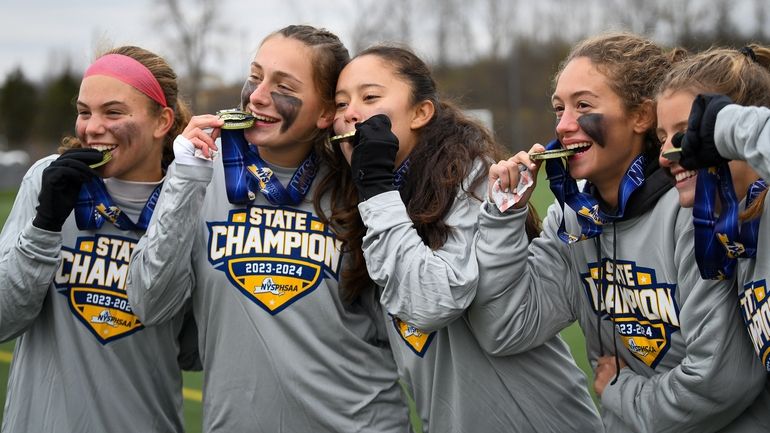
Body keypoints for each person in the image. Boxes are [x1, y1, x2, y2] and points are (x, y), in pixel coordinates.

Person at [470, 32, 767, 432]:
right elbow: (505, 329)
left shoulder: (696, 209)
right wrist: (505, 217)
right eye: (559, 109)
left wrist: (619, 390)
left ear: (642, 116)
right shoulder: (572, 222)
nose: (564, 125)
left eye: (583, 106)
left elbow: (720, 382)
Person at [126, 25, 411, 432]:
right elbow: (148, 304)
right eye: (255, 76)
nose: (257, 96)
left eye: (283, 85)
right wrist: (185, 178)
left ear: (327, 111)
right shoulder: (199, 171)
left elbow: (405, 329)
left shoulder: (359, 181)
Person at [328, 44, 603, 432]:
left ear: (421, 112)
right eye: (341, 104)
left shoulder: (471, 179)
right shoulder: (375, 199)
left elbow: (432, 303)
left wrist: (375, 189)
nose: (350, 113)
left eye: (370, 97)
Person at [0, 46, 196, 433]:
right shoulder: (46, 180)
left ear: (162, 121)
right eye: (84, 111)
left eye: (113, 112)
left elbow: (193, 350)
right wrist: (45, 225)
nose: (91, 128)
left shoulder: (193, 197)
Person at [655, 43, 770, 430]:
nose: (668, 154)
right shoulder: (737, 231)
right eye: (662, 137)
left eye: (687, 133)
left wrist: (729, 127)